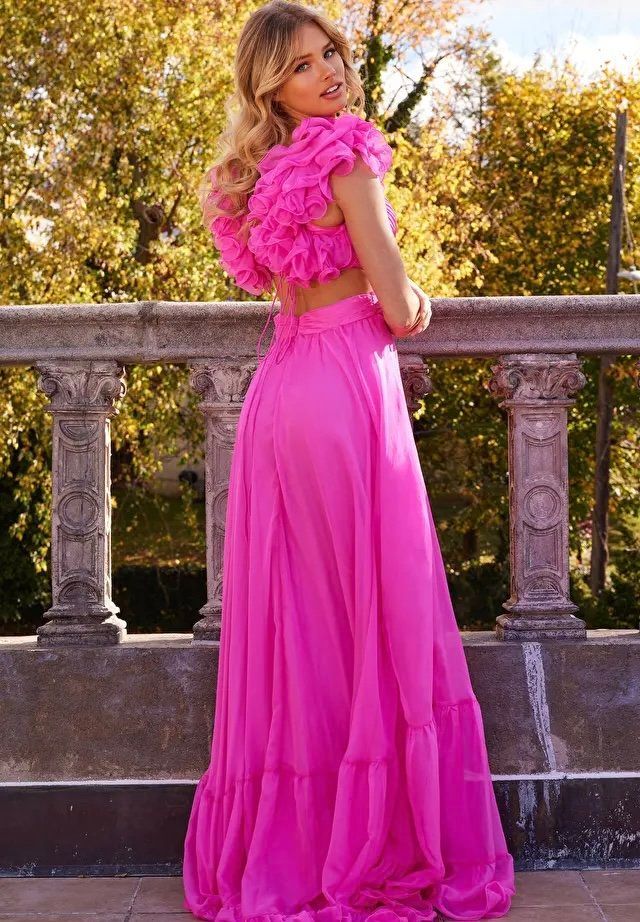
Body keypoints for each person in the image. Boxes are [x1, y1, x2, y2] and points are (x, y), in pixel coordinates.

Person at [182, 3, 516, 921]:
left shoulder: (248, 178)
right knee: (378, 611)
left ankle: (291, 845)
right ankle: (374, 839)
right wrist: (421, 306)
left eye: (331, 52)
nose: (328, 71)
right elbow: (397, 303)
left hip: (279, 396)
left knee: (299, 624)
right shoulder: (346, 155)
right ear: (270, 88)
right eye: (301, 65)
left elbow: (285, 283)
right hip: (344, 389)